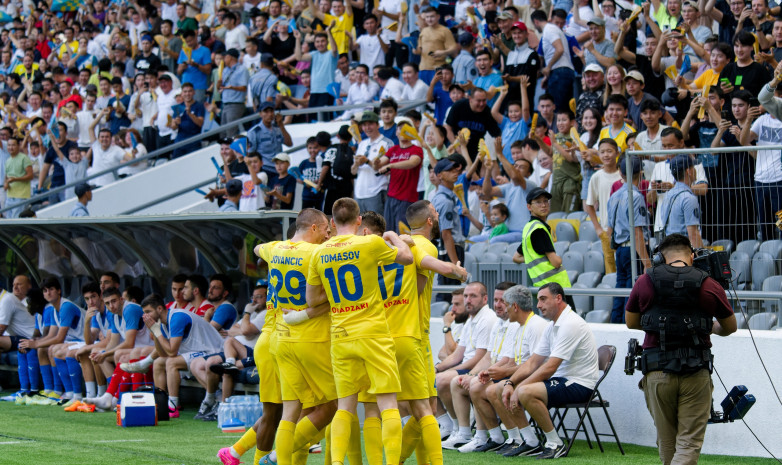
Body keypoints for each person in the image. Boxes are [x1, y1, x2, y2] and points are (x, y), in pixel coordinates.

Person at [306, 197, 414, 465]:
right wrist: (393, 236)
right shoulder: (371, 242)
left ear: (332, 222)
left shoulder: (319, 253)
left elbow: (312, 300)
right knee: (387, 403)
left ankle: (337, 462)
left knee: (345, 407)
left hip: (341, 335)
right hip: (373, 333)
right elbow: (408, 258)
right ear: (358, 221)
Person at [625, 233, 736, 465]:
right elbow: (730, 327)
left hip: (657, 372)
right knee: (688, 443)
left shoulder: (645, 281)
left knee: (667, 441)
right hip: (696, 373)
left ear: (659, 258)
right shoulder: (709, 284)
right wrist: (709, 327)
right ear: (692, 255)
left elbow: (631, 322)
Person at [501, 283, 599, 459]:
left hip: (580, 384)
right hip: (562, 380)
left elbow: (550, 367)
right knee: (506, 388)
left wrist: (519, 386)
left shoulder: (571, 323)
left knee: (524, 391)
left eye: (543, 299)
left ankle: (555, 444)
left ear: (558, 298)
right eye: (538, 300)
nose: (538, 305)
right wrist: (510, 382)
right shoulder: (552, 325)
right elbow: (533, 362)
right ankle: (530, 442)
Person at [435, 281, 499, 446]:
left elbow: (479, 357)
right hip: (470, 367)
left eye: (473, 296)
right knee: (430, 376)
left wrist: (448, 371)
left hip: (479, 369)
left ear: (485, 299)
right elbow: (457, 354)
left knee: (442, 380)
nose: (467, 300)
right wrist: (436, 368)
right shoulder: (472, 319)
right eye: (465, 296)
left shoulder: (487, 318)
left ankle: (461, 431)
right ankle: (454, 428)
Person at [140, 293, 224, 417]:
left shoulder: (176, 317)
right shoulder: (162, 323)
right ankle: (162, 403)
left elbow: (172, 352)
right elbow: (163, 353)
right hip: (198, 352)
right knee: (159, 362)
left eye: (148, 311)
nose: (146, 316)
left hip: (212, 351)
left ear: (159, 309)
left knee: (171, 362)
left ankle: (172, 407)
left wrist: (156, 331)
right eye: (144, 313)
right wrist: (155, 330)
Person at [606, 156, 652, 323]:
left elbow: (609, 229)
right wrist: (647, 262)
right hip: (633, 249)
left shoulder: (614, 196)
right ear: (640, 173)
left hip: (619, 247)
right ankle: (627, 323)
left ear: (621, 172)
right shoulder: (636, 196)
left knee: (621, 287)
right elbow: (637, 232)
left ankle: (615, 322)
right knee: (632, 289)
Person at [514, 187, 574, 306]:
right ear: (529, 207)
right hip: (556, 289)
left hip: (543, 288)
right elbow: (556, 262)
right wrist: (559, 258)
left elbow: (516, 257)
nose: (543, 205)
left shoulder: (529, 228)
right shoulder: (539, 230)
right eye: (538, 202)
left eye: (546, 201)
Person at [431, 159, 466, 293]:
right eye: (450, 170)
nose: (455, 172)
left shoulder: (439, 197)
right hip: (451, 250)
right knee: (452, 292)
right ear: (440, 175)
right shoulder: (445, 201)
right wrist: (456, 265)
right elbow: (446, 234)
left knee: (448, 291)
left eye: (455, 169)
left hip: (445, 250)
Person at [657, 154, 705, 248]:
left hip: (670, 250)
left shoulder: (668, 195)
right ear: (689, 171)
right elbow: (693, 234)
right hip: (683, 251)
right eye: (693, 167)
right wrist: (702, 258)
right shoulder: (688, 198)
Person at [353, 111, 392, 214]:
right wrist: (356, 164)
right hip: (359, 193)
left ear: (378, 125)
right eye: (364, 125)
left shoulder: (386, 143)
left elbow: (385, 169)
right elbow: (353, 172)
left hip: (377, 192)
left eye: (370, 124)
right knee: (362, 228)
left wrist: (366, 161)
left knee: (377, 227)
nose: (367, 127)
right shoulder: (362, 144)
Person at [219, 49, 249, 137]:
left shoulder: (242, 69)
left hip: (236, 103)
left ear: (230, 57)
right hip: (225, 103)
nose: (224, 60)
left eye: (225, 57)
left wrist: (232, 87)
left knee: (231, 132)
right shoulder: (225, 70)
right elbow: (222, 87)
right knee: (223, 132)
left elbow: (244, 87)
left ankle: (233, 150)